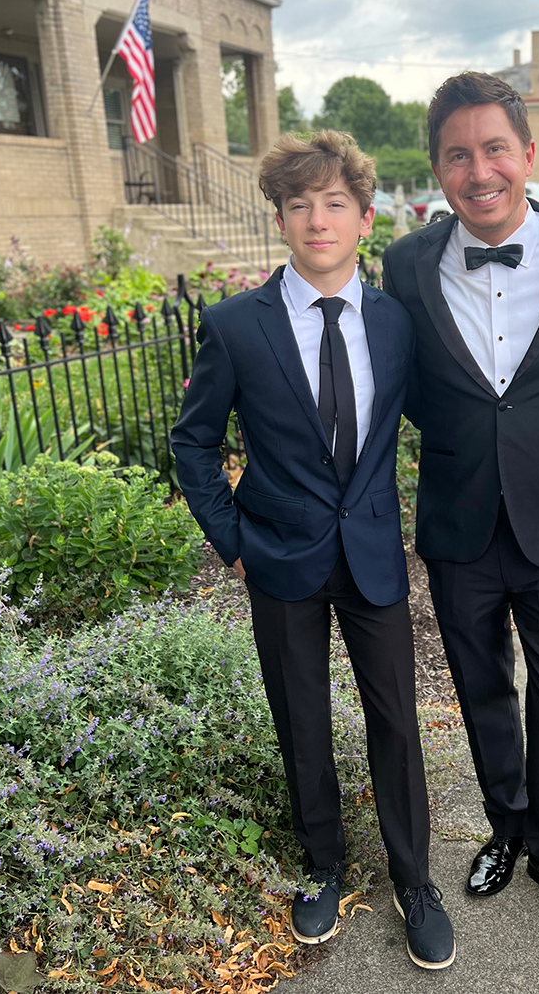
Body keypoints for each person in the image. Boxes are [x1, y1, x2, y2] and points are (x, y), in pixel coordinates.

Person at [170, 131, 456, 971]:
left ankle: (414, 880)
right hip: (278, 556)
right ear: (281, 219)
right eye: (300, 204)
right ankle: (322, 863)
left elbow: (440, 419)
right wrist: (231, 541)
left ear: (365, 218)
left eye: (335, 203)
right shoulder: (236, 326)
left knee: (395, 718)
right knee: (301, 717)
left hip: (371, 552)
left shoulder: (396, 323)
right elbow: (193, 442)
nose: (318, 219)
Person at [381, 72, 539, 936]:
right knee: (481, 685)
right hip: (458, 521)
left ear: (525, 153)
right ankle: (506, 826)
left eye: (493, 149)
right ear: (437, 169)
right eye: (457, 155)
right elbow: (408, 382)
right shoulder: (406, 264)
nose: (478, 171)